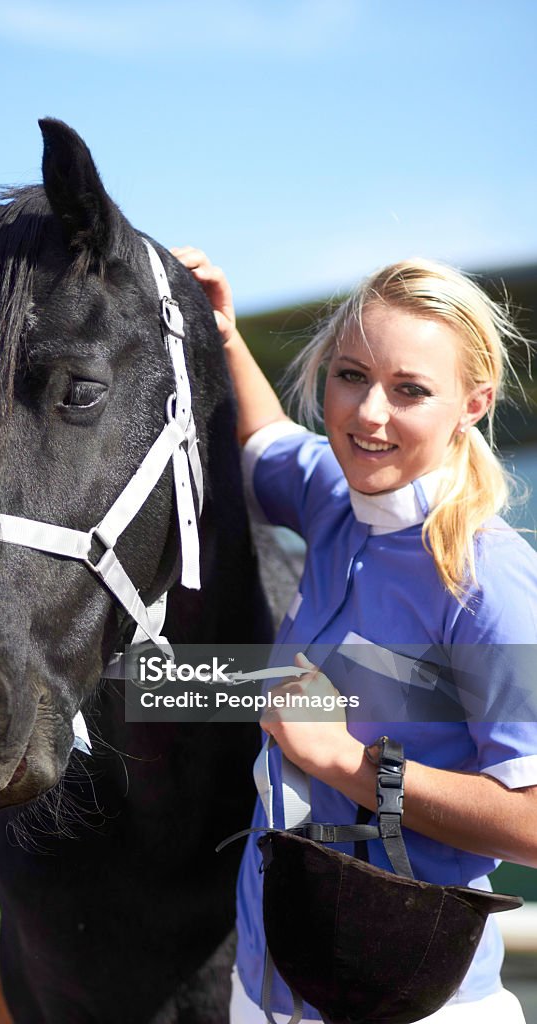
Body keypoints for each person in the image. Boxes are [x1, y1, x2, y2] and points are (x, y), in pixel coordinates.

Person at [173, 247, 537, 1024]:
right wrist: (224, 335)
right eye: (350, 376)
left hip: (415, 1004)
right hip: (261, 990)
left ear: (472, 403)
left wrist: (345, 762)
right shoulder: (332, 498)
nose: (368, 413)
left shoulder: (490, 578)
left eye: (409, 390)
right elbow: (264, 438)